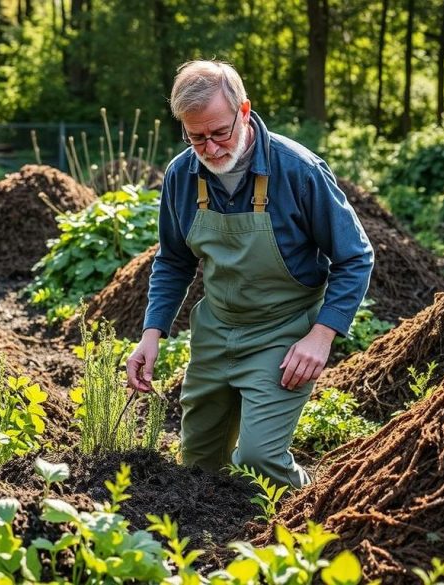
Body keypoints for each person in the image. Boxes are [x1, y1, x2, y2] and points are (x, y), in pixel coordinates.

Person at [125, 60, 373, 488]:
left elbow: (355, 257)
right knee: (198, 469)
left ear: (243, 111)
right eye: (196, 137)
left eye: (220, 132)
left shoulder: (298, 171)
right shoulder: (181, 175)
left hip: (283, 333)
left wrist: (321, 335)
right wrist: (152, 332)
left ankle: (313, 515)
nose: (211, 148)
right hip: (216, 329)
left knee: (259, 461)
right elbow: (173, 259)